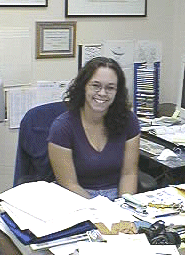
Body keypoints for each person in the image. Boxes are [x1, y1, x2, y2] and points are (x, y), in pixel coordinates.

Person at [47, 57, 140, 200]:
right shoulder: (62, 127)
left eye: (110, 88)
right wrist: (99, 209)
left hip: (117, 197)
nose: (102, 93)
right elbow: (69, 185)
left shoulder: (129, 121)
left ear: (117, 92)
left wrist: (124, 206)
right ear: (84, 86)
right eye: (96, 85)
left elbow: (129, 174)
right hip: (78, 198)